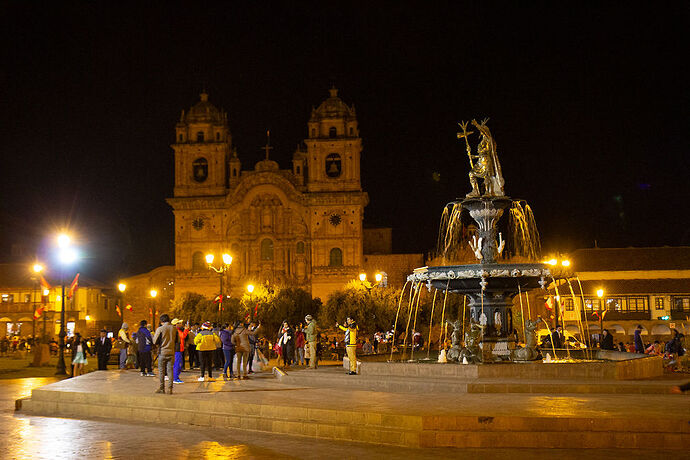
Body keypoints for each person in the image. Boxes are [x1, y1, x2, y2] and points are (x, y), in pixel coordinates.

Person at [152, 314, 177, 394]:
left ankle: (162, 388)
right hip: (171, 352)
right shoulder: (174, 328)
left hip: (162, 352)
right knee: (170, 370)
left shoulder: (160, 329)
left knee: (162, 371)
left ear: (161, 321)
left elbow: (154, 341)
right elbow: (177, 340)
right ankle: (170, 388)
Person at [172, 319, 189, 384]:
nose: (181, 324)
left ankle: (175, 377)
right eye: (179, 323)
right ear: (176, 324)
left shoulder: (176, 330)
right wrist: (186, 330)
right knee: (177, 364)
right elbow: (182, 336)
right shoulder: (176, 331)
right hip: (177, 349)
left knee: (178, 364)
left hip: (179, 349)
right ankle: (175, 378)